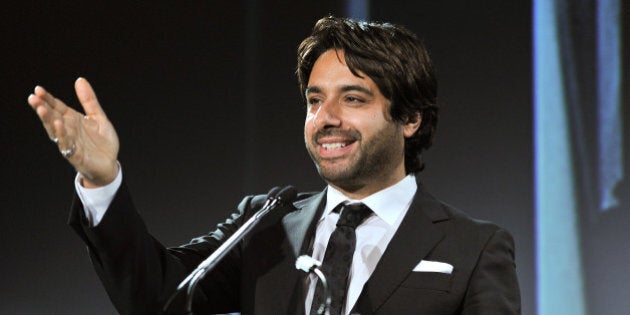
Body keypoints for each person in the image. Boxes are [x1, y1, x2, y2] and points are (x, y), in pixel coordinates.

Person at [27, 16, 520, 314]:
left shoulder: (474, 247)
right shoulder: (266, 223)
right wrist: (102, 180)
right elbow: (156, 299)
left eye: (353, 98)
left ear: (409, 118)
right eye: (314, 100)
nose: (326, 119)